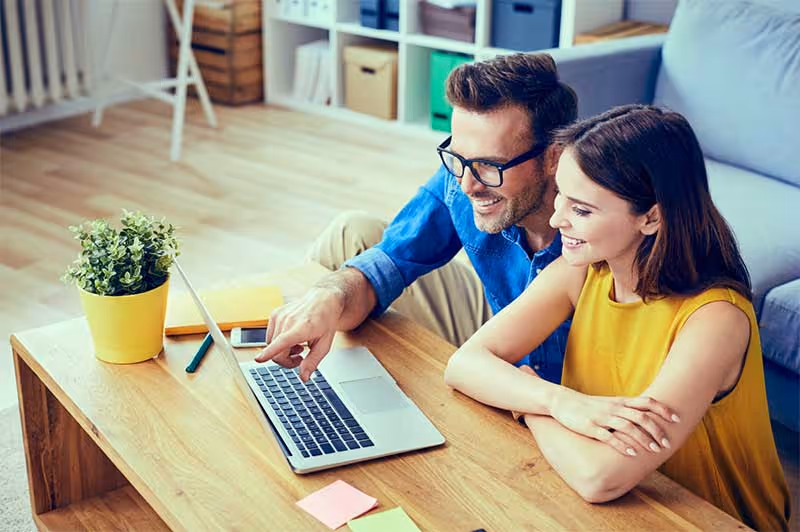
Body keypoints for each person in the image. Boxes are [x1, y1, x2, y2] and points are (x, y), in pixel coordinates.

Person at [444, 104, 791, 531]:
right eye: (561, 197)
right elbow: (464, 364)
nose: (556, 219)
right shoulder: (583, 272)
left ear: (651, 217)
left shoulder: (715, 319)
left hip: (698, 517)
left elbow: (600, 477)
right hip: (612, 504)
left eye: (582, 210)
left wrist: (528, 397)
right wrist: (559, 401)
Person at [256, 52, 580, 385]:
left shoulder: (601, 223)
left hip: (574, 386)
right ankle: (311, 375)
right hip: (496, 325)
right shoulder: (463, 179)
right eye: (458, 158)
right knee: (353, 232)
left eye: (490, 166)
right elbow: (392, 260)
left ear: (553, 157)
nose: (468, 185)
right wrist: (329, 297)